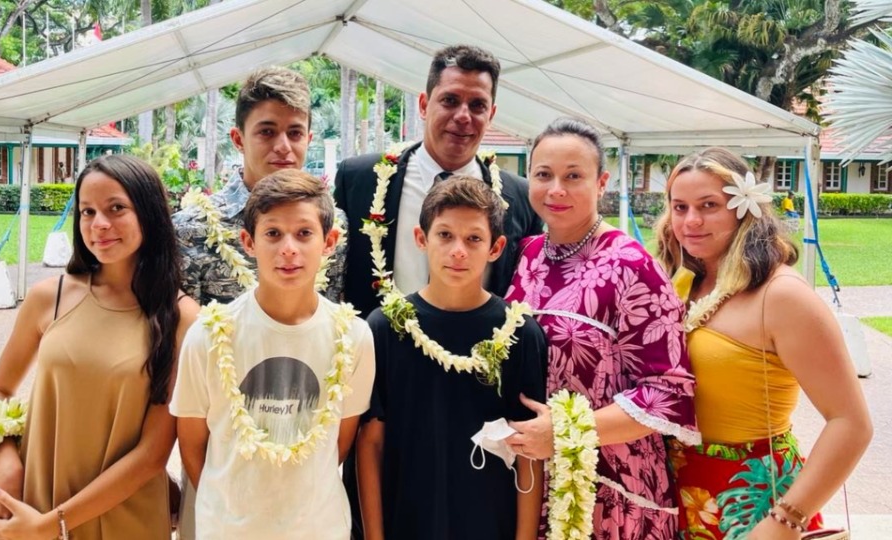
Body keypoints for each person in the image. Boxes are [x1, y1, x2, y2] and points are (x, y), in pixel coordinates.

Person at [656, 148, 872, 539]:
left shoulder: (782, 295)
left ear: (745, 208)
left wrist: (787, 519)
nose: (691, 221)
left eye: (709, 205)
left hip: (756, 503)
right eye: (680, 207)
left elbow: (851, 423)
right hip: (679, 494)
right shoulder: (682, 283)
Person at [0, 155, 199, 539]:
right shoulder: (50, 297)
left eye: (116, 208)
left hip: (123, 519)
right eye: (87, 211)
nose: (99, 225)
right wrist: (7, 464)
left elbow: (152, 455)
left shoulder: (181, 317)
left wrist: (52, 525)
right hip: (35, 508)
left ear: (148, 214)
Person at [503, 118, 699, 539]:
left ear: (601, 182)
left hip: (613, 487)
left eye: (573, 176)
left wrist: (568, 433)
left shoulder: (631, 266)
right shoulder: (527, 255)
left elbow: (667, 392)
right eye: (544, 175)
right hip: (534, 482)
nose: (556, 189)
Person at [171, 169, 375, 539]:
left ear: (329, 242)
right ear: (248, 242)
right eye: (273, 234)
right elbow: (192, 444)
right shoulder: (209, 334)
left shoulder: (354, 337)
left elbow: (340, 442)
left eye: (304, 234)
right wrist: (233, 509)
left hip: (319, 528)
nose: (288, 249)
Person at [356, 176, 547, 540]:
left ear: (496, 247)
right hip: (407, 519)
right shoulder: (385, 328)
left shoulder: (520, 332)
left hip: (490, 521)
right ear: (421, 238)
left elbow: (529, 450)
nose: (458, 250)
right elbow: (371, 442)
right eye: (445, 235)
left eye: (474, 238)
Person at [334, 44, 542, 318]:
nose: (463, 116)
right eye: (450, 100)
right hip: (380, 352)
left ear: (490, 115)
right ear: (423, 104)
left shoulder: (521, 197)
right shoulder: (360, 179)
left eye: (477, 105)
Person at [174, 66, 348, 306]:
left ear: (309, 139)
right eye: (267, 132)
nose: (283, 146)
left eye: (295, 133)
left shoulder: (332, 224)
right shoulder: (190, 230)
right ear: (238, 139)